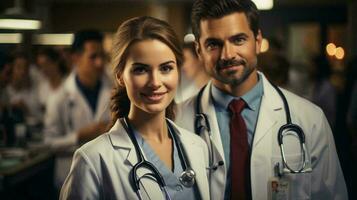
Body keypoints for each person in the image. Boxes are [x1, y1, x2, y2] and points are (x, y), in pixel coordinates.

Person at [175, 0, 348, 199]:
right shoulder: (176, 122)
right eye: (213, 44)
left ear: (257, 41)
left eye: (238, 40)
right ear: (199, 51)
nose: (228, 54)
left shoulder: (309, 119)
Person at [60, 16, 210, 200]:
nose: (155, 82)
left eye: (166, 68)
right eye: (141, 69)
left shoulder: (197, 148)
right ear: (120, 76)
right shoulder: (93, 160)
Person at [43, 29, 113, 189]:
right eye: (93, 57)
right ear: (76, 58)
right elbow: (49, 143)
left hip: (107, 175)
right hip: (72, 177)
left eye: (102, 56)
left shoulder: (114, 90)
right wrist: (79, 136)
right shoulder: (59, 97)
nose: (100, 63)